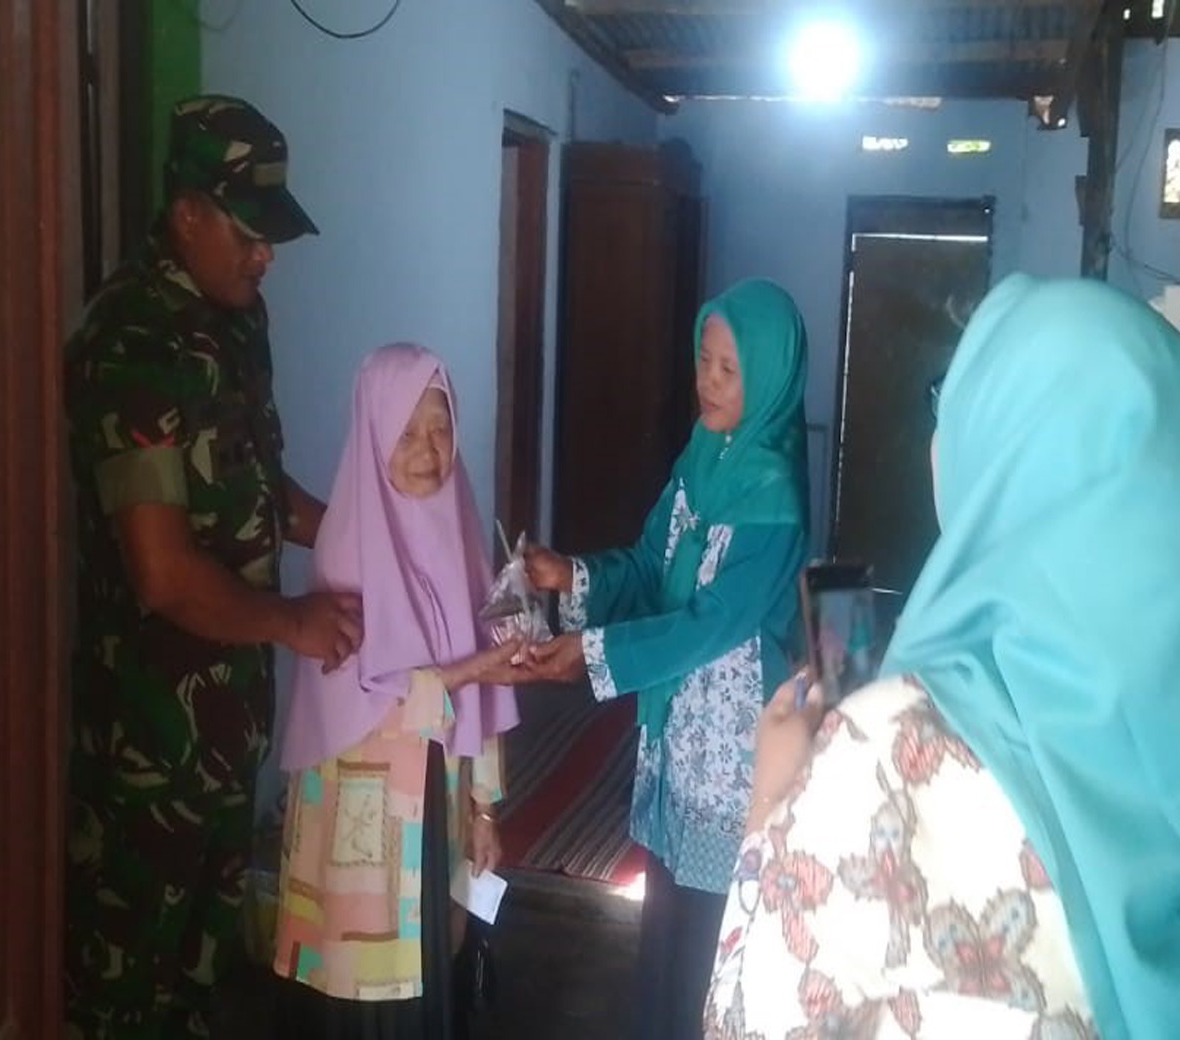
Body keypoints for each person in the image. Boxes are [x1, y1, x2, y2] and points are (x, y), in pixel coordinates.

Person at [704, 275, 1180, 1040]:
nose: (938, 441)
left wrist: (772, 801)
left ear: (1000, 456)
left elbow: (751, 1020)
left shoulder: (889, 751)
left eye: (958, 408)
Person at [63, 95, 364, 1038]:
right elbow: (162, 572)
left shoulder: (235, 321)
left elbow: (259, 488)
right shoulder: (131, 344)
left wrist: (368, 538)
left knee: (202, 976)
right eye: (248, 233)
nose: (265, 255)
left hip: (231, 725)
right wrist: (295, 623)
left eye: (272, 236)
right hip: (151, 747)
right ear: (188, 213)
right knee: (128, 989)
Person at [523, 278, 811, 1040]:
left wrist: (593, 656)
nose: (707, 381)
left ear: (769, 377)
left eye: (729, 369)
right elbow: (652, 566)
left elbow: (707, 626)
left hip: (732, 752)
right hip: (680, 736)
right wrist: (572, 574)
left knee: (712, 941)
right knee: (666, 929)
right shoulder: (700, 458)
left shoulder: (774, 497)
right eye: (703, 360)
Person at [271, 343, 523, 1039]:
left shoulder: (461, 540)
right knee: (362, 988)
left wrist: (484, 809)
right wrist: (473, 669)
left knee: (428, 972)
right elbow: (376, 697)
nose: (427, 450)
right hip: (362, 827)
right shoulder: (345, 549)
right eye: (406, 432)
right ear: (375, 433)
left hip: (435, 808)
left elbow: (486, 699)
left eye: (440, 429)